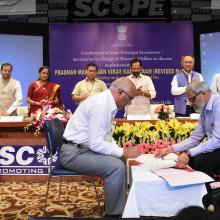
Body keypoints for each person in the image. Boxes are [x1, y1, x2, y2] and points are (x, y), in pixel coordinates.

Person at [60, 77, 141, 216]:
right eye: (130, 98)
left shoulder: (106, 102)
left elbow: (106, 137)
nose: (130, 102)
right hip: (74, 154)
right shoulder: (101, 105)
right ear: (120, 92)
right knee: (116, 167)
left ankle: (116, 204)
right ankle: (114, 214)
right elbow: (96, 143)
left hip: (83, 149)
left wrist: (121, 152)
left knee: (119, 160)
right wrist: (123, 151)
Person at [155, 80, 220, 178]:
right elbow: (195, 138)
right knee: (190, 157)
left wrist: (188, 153)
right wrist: (170, 149)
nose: (190, 104)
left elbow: (217, 140)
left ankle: (211, 191)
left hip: (217, 144)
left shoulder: (218, 105)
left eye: (192, 99)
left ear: (203, 93)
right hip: (216, 147)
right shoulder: (204, 109)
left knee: (200, 161)